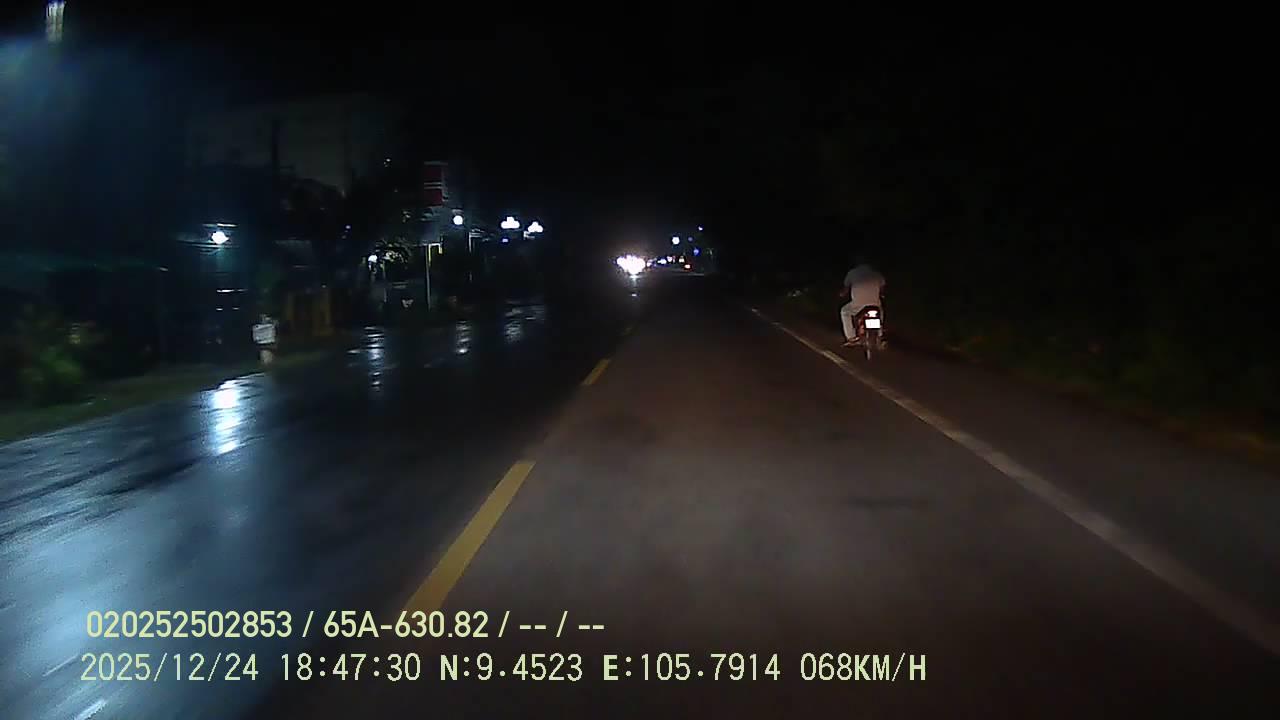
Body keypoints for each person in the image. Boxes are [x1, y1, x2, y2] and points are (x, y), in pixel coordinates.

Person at [838, 255, 886, 347]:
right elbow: (882, 289)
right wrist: (881, 295)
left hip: (858, 304)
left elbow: (845, 289)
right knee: (880, 313)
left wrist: (841, 294)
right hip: (875, 303)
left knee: (844, 312)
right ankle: (880, 335)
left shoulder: (852, 273)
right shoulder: (877, 274)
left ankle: (851, 338)